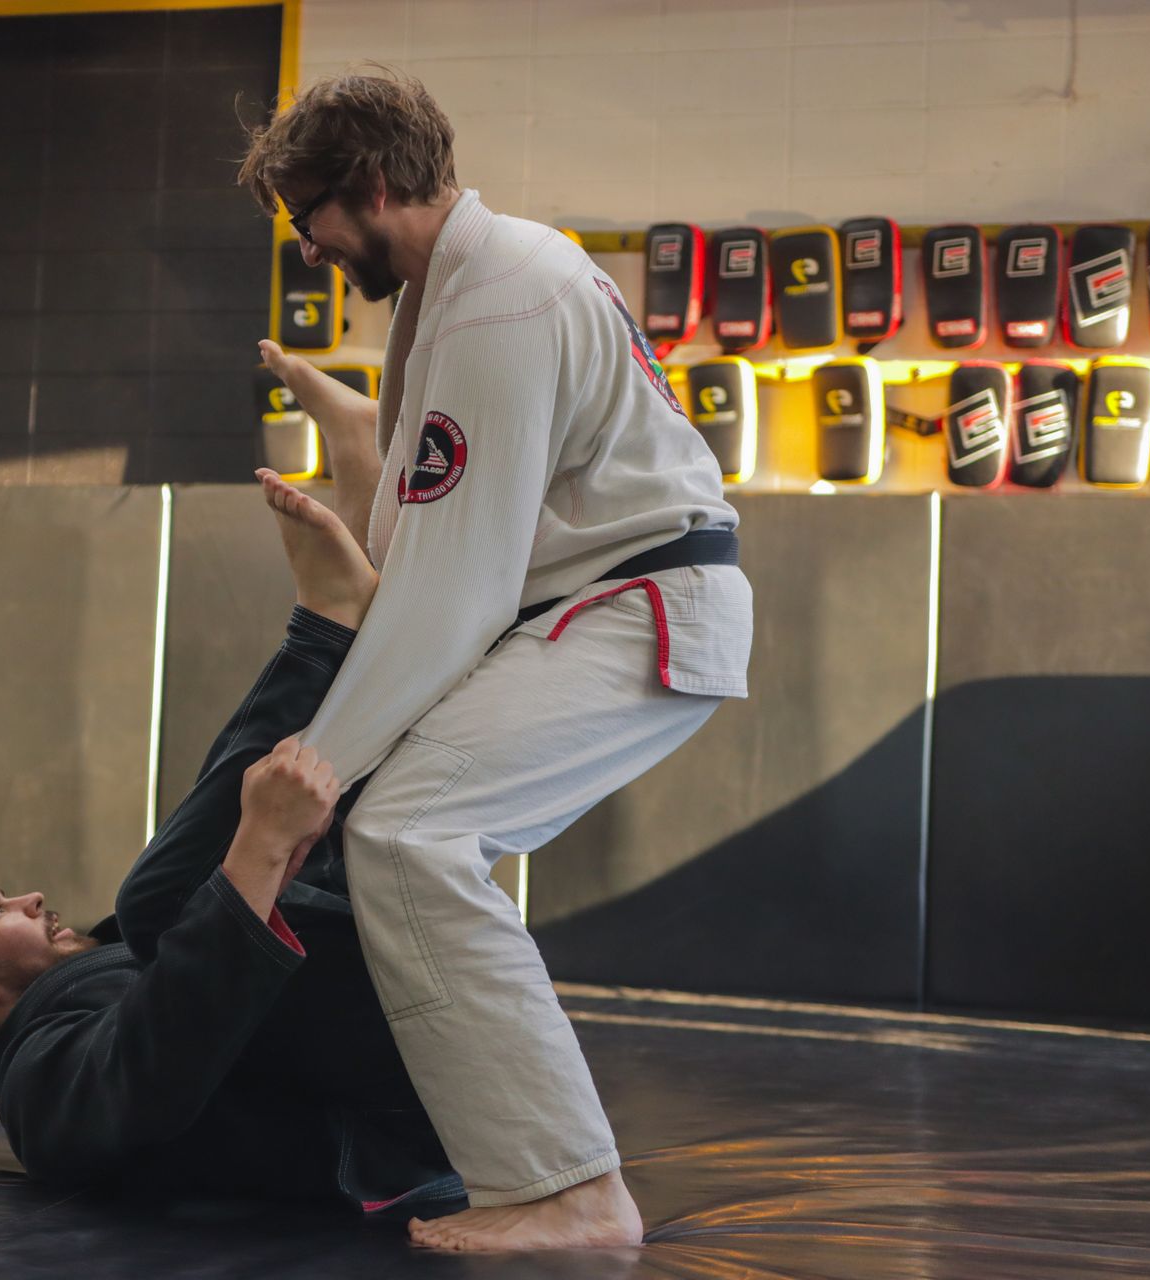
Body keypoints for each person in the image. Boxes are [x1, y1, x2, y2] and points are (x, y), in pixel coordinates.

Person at [239, 71, 754, 1250]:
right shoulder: (459, 289)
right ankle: (519, 1162)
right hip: (608, 601)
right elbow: (412, 549)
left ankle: (572, 1187)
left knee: (406, 831)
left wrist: (310, 780)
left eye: (308, 213)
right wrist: (354, 455)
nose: (308, 246)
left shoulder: (498, 301)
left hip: (640, 605)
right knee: (406, 830)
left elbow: (455, 591)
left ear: (372, 184)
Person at [0, 481, 467, 1222]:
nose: (30, 898)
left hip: (403, 1055)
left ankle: (368, 570)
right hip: (401, 1141)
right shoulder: (37, 1095)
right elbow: (149, 1071)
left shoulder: (106, 973)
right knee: (164, 901)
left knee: (214, 879)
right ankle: (330, 627)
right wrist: (259, 845)